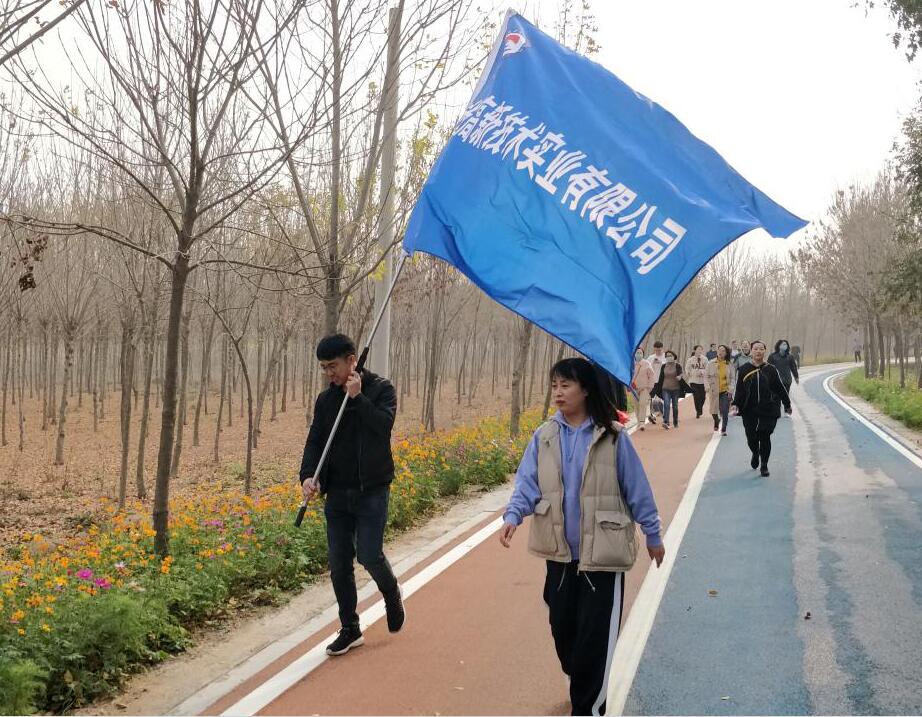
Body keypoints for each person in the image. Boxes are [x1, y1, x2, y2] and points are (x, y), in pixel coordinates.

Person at [499, 357, 665, 717]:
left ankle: (587, 708)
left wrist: (652, 533)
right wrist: (513, 514)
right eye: (554, 385)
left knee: (594, 639)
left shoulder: (613, 437)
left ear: (585, 389)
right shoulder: (544, 436)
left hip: (602, 556)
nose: (558, 392)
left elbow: (637, 489)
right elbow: (527, 483)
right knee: (563, 631)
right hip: (559, 554)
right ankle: (581, 682)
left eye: (566, 385)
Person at [299, 334, 405, 656]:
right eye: (323, 368)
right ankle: (350, 628)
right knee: (339, 563)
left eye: (333, 366)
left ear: (352, 361)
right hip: (337, 494)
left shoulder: (381, 389)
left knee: (369, 555)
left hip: (371, 490)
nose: (329, 373)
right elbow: (315, 440)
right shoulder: (325, 400)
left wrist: (358, 399)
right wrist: (308, 475)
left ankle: (391, 592)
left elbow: (383, 427)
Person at [731, 340, 792, 477]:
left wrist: (787, 404)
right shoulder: (744, 369)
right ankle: (755, 452)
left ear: (765, 351)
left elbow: (780, 388)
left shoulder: (771, 369)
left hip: (769, 407)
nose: (758, 351)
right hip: (749, 408)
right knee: (751, 437)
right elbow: (739, 389)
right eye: (755, 349)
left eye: (761, 349)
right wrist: (735, 404)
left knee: (764, 436)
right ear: (751, 351)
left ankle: (764, 465)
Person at [651, 350, 690, 430]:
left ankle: (675, 421)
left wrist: (679, 377)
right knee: (666, 404)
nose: (669, 357)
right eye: (667, 356)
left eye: (670, 356)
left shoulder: (678, 365)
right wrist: (655, 388)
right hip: (665, 388)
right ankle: (666, 422)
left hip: (676, 389)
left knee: (675, 406)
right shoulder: (663, 366)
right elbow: (661, 378)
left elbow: (681, 373)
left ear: (674, 357)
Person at [706, 344, 735, 435]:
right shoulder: (711, 363)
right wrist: (707, 386)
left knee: (725, 410)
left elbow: (733, 378)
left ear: (726, 353)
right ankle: (716, 420)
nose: (720, 352)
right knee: (713, 410)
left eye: (723, 351)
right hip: (713, 390)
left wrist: (731, 388)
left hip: (725, 390)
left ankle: (723, 429)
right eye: (719, 350)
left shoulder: (729, 364)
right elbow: (706, 376)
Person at [631, 348, 656, 431]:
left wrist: (650, 387)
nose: (638, 354)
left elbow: (651, 376)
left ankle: (642, 423)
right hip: (634, 389)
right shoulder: (631, 364)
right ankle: (638, 421)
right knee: (636, 405)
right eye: (637, 353)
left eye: (640, 353)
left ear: (643, 354)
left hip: (644, 388)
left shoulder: (646, 363)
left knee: (642, 404)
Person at [646, 341, 667, 424]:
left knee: (662, 399)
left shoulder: (666, 357)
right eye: (656, 350)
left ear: (662, 349)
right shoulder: (651, 358)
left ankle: (665, 416)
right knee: (650, 399)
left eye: (659, 350)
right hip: (653, 382)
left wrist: (661, 362)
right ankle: (652, 415)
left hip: (663, 381)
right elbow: (646, 368)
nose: (658, 352)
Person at [685, 345, 708, 419]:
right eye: (698, 349)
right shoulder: (690, 360)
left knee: (703, 397)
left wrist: (702, 372)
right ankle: (698, 411)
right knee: (696, 396)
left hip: (702, 381)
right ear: (694, 350)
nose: (699, 351)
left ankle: (699, 408)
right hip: (693, 381)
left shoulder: (705, 359)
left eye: (701, 350)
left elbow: (707, 369)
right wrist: (688, 373)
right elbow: (687, 368)